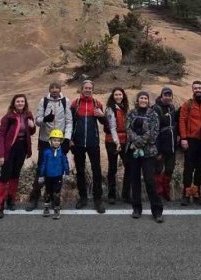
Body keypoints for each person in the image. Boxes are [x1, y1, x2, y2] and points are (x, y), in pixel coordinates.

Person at [25, 81, 73, 211]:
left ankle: (54, 199)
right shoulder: (43, 101)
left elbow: (69, 121)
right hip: (45, 140)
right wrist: (45, 119)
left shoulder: (65, 101)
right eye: (52, 88)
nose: (55, 90)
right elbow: (38, 121)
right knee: (42, 167)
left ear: (60, 90)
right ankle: (34, 199)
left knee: (57, 169)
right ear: (49, 89)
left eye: (57, 88)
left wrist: (67, 138)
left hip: (60, 140)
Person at [0, 94, 36, 218]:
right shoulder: (8, 117)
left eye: (22, 101)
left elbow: (31, 132)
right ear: (13, 103)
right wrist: (0, 154)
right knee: (4, 176)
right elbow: (1, 135)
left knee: (15, 174)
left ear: (25, 103)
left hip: (22, 148)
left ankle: (11, 200)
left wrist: (32, 126)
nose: (20, 103)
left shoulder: (28, 115)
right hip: (9, 149)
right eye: (18, 101)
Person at [125, 91, 164, 222]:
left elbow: (153, 132)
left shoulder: (153, 114)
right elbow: (128, 129)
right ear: (137, 99)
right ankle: (136, 208)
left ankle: (157, 210)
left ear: (148, 100)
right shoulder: (131, 113)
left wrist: (138, 142)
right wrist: (135, 141)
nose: (143, 100)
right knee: (134, 180)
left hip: (148, 152)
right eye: (141, 98)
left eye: (145, 98)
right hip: (133, 152)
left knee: (149, 180)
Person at [71, 80, 107, 213]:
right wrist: (70, 140)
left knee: (96, 171)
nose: (87, 90)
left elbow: (104, 123)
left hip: (93, 142)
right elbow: (71, 123)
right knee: (80, 171)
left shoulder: (97, 103)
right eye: (85, 88)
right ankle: (83, 198)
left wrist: (102, 116)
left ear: (93, 90)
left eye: (90, 88)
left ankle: (98, 200)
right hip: (78, 143)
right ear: (81, 89)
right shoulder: (76, 103)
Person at [179, 80, 201, 205]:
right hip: (191, 140)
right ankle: (186, 193)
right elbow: (182, 121)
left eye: (199, 88)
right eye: (195, 88)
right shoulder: (188, 104)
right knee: (188, 168)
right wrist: (184, 138)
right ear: (192, 90)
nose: (197, 90)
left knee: (200, 168)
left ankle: (196, 192)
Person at [104, 87, 130, 204]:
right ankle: (111, 195)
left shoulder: (125, 109)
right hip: (112, 141)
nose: (118, 97)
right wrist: (117, 142)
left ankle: (126, 194)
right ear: (112, 96)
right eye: (116, 95)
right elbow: (113, 128)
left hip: (125, 140)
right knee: (113, 168)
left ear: (123, 96)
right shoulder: (110, 109)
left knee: (129, 166)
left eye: (120, 94)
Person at [37, 129, 70, 219]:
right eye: (54, 140)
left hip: (58, 176)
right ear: (50, 141)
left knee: (56, 193)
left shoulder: (62, 152)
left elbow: (65, 162)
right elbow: (43, 164)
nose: (56, 142)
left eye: (58, 141)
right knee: (48, 192)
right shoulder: (46, 152)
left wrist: (67, 172)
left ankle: (56, 209)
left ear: (61, 142)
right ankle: (46, 207)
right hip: (48, 176)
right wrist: (41, 175)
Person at [153, 87, 179, 202]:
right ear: (161, 95)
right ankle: (158, 192)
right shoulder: (156, 108)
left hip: (172, 144)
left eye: (169, 95)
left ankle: (165, 190)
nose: (167, 97)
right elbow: (155, 130)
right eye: (165, 95)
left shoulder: (172, 107)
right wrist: (157, 150)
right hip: (161, 145)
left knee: (169, 169)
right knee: (158, 169)